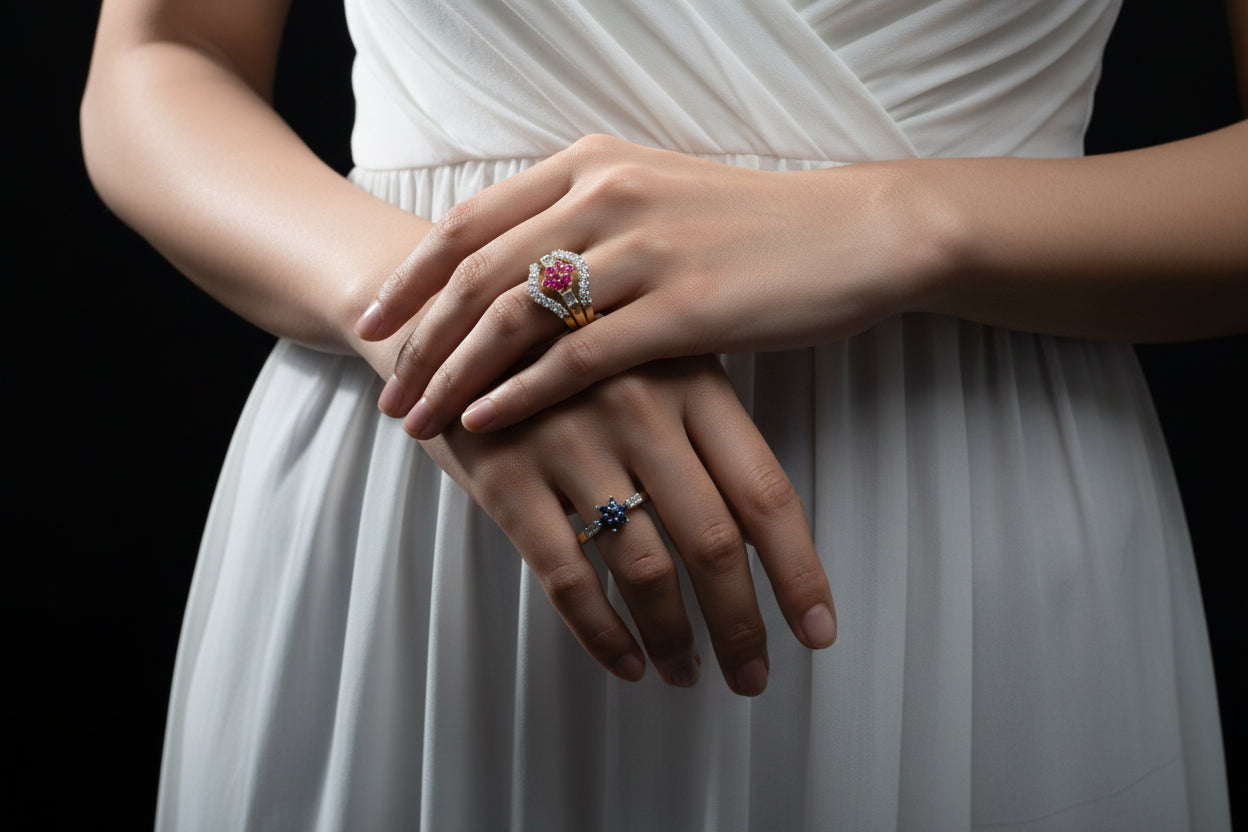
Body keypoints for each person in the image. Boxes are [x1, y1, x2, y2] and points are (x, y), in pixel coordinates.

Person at [81, 0, 1244, 829]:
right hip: (433, 485)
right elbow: (161, 58)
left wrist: (903, 221)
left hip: (968, 540)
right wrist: (449, 327)